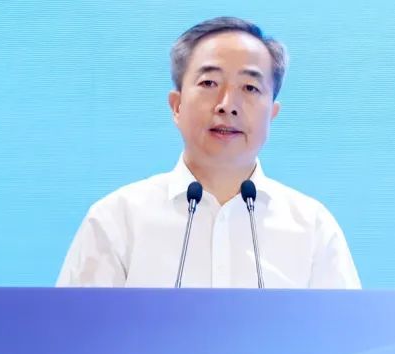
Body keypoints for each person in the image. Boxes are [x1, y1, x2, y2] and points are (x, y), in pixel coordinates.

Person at [55, 17, 361, 289]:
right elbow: (71, 330)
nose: (227, 105)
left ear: (272, 113)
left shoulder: (313, 229)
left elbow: (344, 333)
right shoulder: (117, 220)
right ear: (177, 106)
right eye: (209, 83)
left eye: (250, 88)